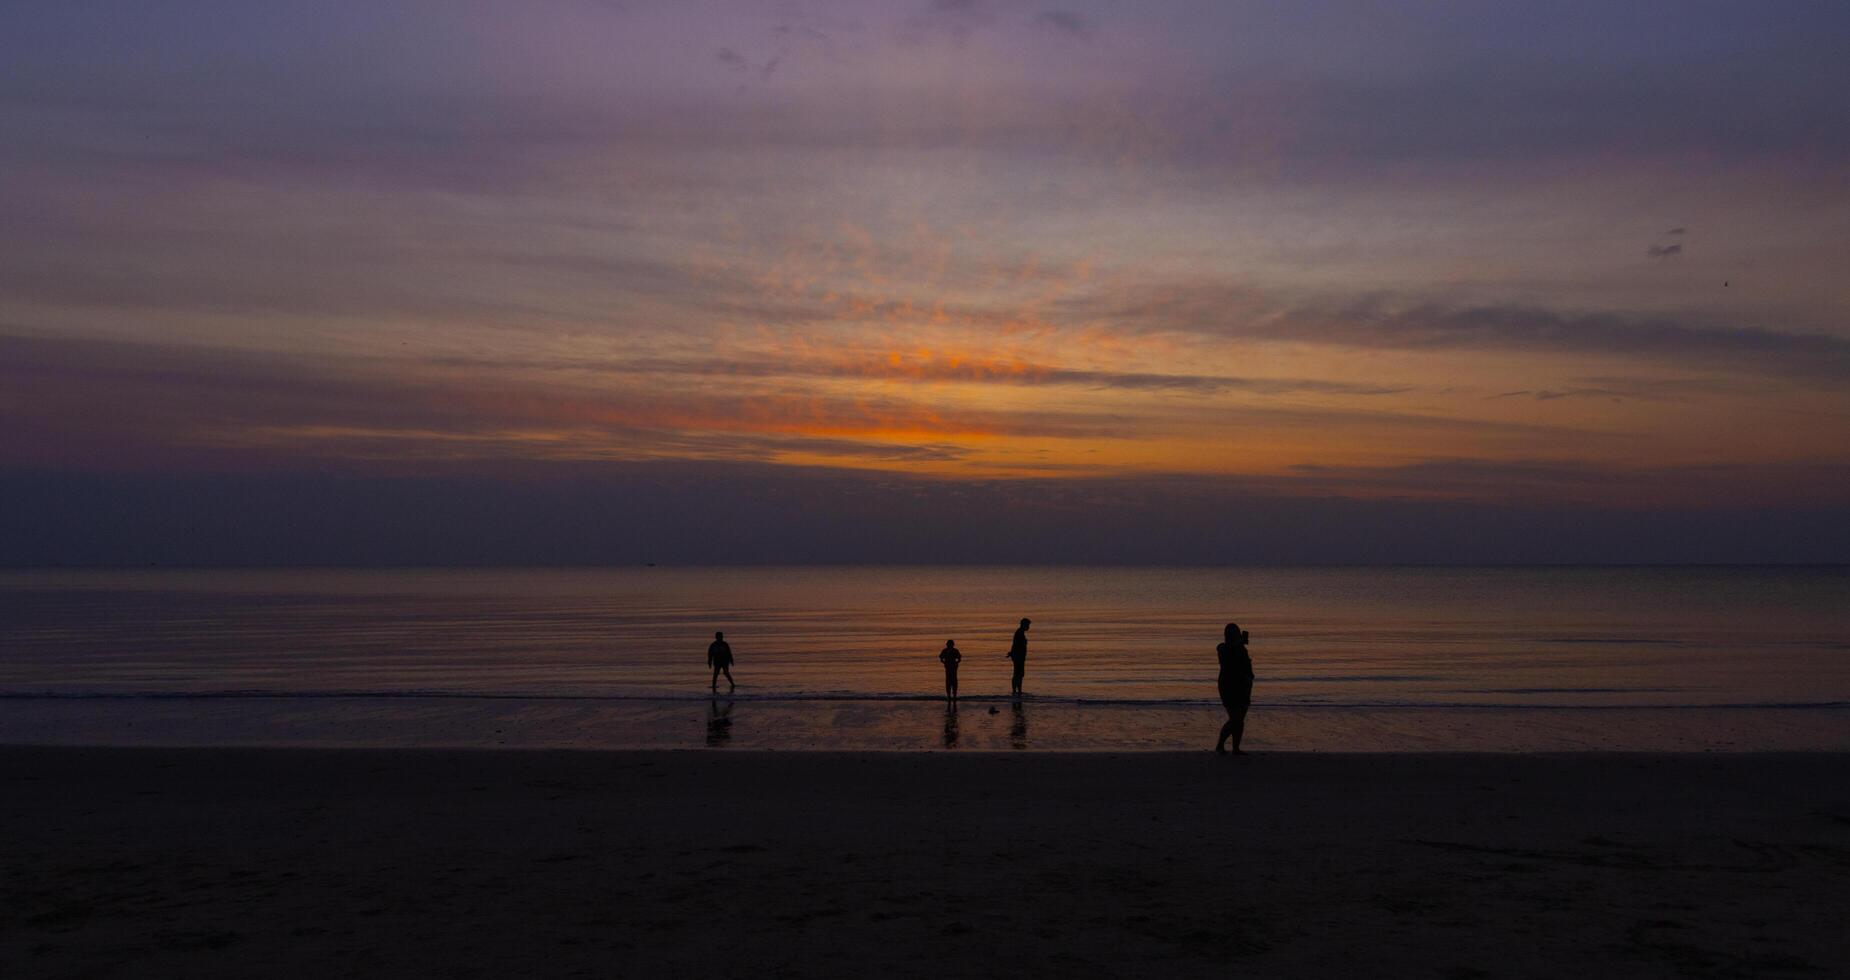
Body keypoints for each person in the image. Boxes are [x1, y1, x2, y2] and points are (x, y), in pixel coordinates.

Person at [1215, 622, 1254, 755]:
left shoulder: (1241, 648)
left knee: (1240, 719)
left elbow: (1246, 665)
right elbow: (1227, 660)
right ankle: (1220, 745)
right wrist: (1238, 644)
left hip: (1243, 686)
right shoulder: (1223, 648)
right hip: (1229, 686)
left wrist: (1250, 678)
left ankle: (1235, 748)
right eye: (1234, 633)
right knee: (1235, 718)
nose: (1236, 635)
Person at [1004, 617, 1031, 697]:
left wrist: (1011, 653)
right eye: (1027, 625)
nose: (1028, 627)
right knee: (1018, 674)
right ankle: (1016, 691)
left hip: (1019, 657)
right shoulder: (1019, 633)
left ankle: (1018, 691)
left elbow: (1015, 645)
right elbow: (1015, 645)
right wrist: (1012, 653)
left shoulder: (1020, 633)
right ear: (1023, 625)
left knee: (1019, 674)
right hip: (1018, 657)